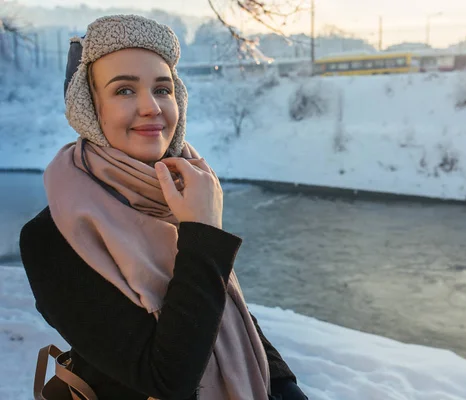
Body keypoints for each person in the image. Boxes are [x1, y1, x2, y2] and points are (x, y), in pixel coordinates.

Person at [19, 14, 307, 400]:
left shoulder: (177, 193)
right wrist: (203, 235)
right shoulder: (51, 238)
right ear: (90, 109)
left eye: (163, 89)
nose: (151, 107)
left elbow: (229, 316)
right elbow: (168, 379)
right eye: (124, 90)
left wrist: (288, 390)